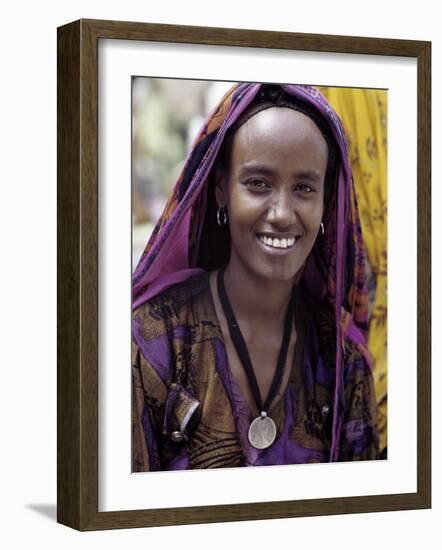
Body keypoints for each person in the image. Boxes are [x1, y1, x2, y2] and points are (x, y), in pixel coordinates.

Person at [132, 82, 379, 471]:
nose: (281, 213)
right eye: (258, 183)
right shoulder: (153, 346)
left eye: (304, 188)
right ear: (220, 189)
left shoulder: (343, 363)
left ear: (326, 202)